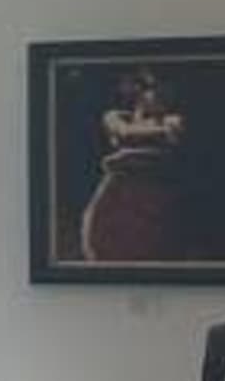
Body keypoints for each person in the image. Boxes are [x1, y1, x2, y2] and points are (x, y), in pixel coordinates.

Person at [77, 67, 190, 265]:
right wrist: (156, 132)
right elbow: (124, 133)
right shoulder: (115, 116)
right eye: (149, 88)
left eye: (162, 88)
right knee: (104, 240)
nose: (156, 95)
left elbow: (174, 136)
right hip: (118, 187)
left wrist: (127, 155)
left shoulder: (172, 120)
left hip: (154, 191)